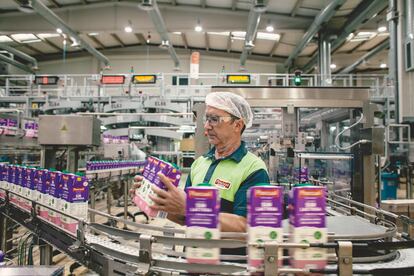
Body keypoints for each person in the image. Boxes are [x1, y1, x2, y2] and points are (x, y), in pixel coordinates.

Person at [132, 91, 269, 233]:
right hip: (193, 251)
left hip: (229, 255)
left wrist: (190, 206)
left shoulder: (253, 169)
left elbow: (246, 226)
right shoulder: (200, 163)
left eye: (215, 119)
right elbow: (185, 217)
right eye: (207, 119)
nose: (207, 126)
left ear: (237, 125)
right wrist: (157, 201)